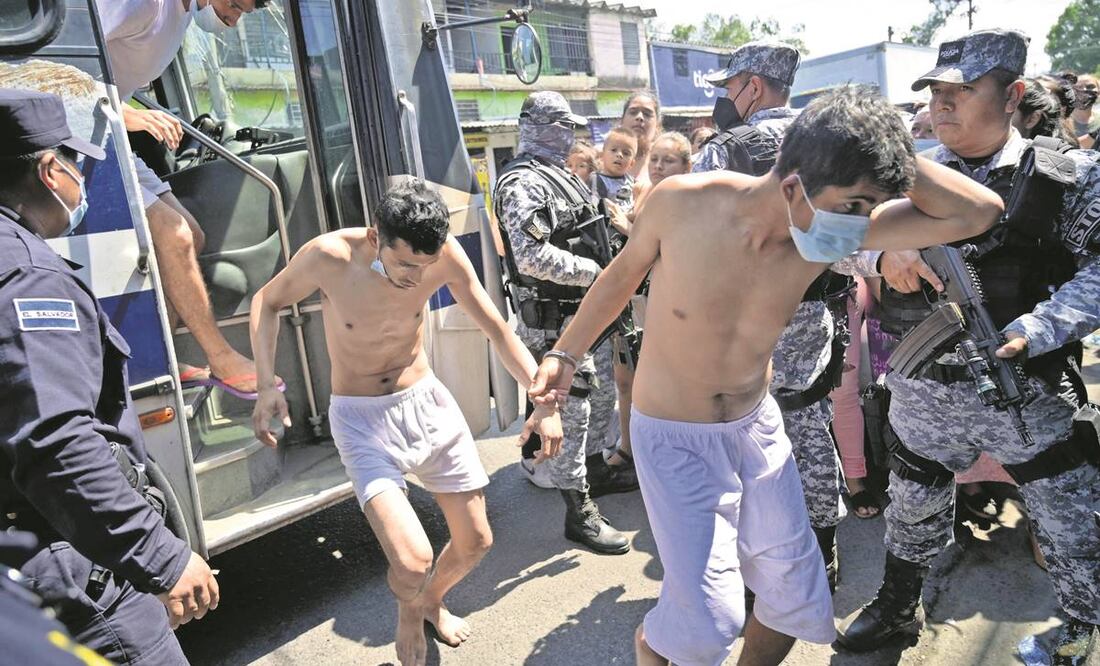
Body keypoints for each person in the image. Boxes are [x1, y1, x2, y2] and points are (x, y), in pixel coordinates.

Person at [529, 86, 1003, 666]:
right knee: (707, 625)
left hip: (757, 428)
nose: (862, 223)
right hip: (673, 436)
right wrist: (566, 353)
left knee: (795, 600)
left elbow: (977, 213)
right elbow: (621, 275)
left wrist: (890, 150)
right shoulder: (683, 203)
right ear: (790, 187)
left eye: (872, 206)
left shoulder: (822, 234)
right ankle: (651, 646)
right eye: (854, 204)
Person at [838, 30, 1100, 658]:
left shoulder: (1069, 177)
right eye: (936, 91)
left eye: (962, 90)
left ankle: (1078, 629)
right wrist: (882, 248)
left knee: (1070, 520)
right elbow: (825, 239)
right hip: (923, 387)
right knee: (911, 505)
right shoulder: (901, 175)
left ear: (1012, 95)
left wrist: (1037, 328)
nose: (943, 104)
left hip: (1025, 391)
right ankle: (899, 607)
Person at [249, 179, 563, 666]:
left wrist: (542, 402)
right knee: (412, 560)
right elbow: (267, 302)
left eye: (425, 266)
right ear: (376, 238)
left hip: (426, 404)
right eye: (405, 266)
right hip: (361, 420)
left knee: (477, 541)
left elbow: (498, 330)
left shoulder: (444, 255)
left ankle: (432, 600)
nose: (417, 280)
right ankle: (411, 612)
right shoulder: (328, 256)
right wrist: (266, 383)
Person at [0, 89, 220, 665]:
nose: (80, 178)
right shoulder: (30, 279)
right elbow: (56, 442)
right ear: (49, 171)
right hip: (66, 572)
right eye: (74, 163)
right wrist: (159, 558)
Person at [694, 40, 876, 590]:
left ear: (754, 84)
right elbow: (858, 244)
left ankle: (762, 558)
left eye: (730, 84)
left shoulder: (726, 149)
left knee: (743, 433)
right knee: (809, 427)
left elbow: (699, 242)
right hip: (814, 312)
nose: (727, 96)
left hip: (745, 319)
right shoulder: (834, 146)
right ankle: (822, 548)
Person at [95, 0, 274, 397]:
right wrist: (128, 114)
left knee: (191, 235)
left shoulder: (184, 13)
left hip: (108, 134)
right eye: (236, 5)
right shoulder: (142, 5)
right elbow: (58, 69)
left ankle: (160, 357)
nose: (234, 19)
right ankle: (221, 356)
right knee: (173, 235)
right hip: (80, 139)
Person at [494, 91, 633, 553]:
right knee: (571, 413)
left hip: (586, 313)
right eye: (561, 125)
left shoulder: (559, 176)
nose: (569, 133)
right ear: (535, 125)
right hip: (553, 319)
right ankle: (579, 513)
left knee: (599, 398)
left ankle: (590, 475)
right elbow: (531, 256)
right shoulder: (521, 183)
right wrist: (600, 276)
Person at [693, 40, 801, 175]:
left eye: (729, 89)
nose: (727, 97)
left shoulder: (724, 150)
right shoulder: (820, 132)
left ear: (754, 88)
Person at [620, 91, 662, 186]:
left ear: (657, 126)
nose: (639, 117)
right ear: (621, 121)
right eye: (633, 112)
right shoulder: (603, 162)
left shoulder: (665, 165)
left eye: (647, 114)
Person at [593, 126, 639, 205]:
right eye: (614, 150)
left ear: (631, 163)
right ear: (602, 155)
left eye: (626, 153)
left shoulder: (633, 182)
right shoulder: (596, 180)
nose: (619, 155)